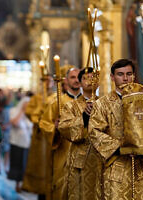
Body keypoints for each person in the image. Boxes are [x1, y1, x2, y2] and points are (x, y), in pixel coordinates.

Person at [88, 59, 143, 199]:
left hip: (140, 169)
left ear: (134, 76)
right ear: (112, 77)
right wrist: (121, 147)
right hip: (117, 168)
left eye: (129, 74)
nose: (125, 78)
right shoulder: (102, 104)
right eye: (120, 74)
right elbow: (94, 131)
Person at [58, 67, 102, 200]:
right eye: (85, 77)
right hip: (81, 160)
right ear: (80, 82)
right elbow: (64, 128)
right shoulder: (71, 106)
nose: (89, 80)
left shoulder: (106, 104)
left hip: (103, 159)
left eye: (92, 77)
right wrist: (84, 118)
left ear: (98, 81)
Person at [38, 67, 81, 199]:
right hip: (62, 152)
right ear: (66, 80)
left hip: (82, 154)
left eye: (78, 77)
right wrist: (55, 127)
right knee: (60, 187)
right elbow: (44, 123)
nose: (76, 80)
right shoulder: (57, 102)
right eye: (72, 77)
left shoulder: (89, 102)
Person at [22, 75, 55, 199]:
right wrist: (39, 114)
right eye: (45, 81)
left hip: (52, 136)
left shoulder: (56, 97)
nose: (47, 83)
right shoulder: (37, 97)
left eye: (50, 81)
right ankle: (40, 190)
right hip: (39, 137)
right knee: (40, 164)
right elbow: (29, 112)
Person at [7, 96, 32, 192]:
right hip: (16, 143)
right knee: (18, 165)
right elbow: (15, 123)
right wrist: (22, 111)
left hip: (27, 144)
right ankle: (18, 185)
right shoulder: (14, 110)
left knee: (25, 166)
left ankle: (25, 185)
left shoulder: (29, 116)